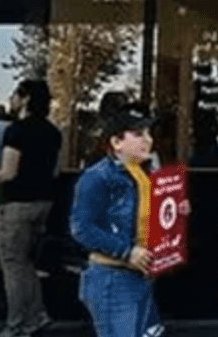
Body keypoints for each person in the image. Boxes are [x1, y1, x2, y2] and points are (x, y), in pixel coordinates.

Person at [0, 80, 62, 337]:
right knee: (27, 263)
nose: (10, 99)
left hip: (17, 204)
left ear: (25, 98)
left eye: (15, 95)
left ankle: (15, 326)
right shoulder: (53, 132)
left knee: (13, 266)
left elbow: (8, 172)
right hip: (43, 203)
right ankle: (37, 317)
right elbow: (53, 171)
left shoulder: (16, 131)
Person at [70, 103, 163, 337]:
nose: (148, 140)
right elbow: (81, 228)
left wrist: (174, 210)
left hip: (139, 276)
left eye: (149, 134)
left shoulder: (142, 175)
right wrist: (127, 251)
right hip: (112, 278)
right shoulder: (97, 177)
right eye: (139, 134)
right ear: (116, 142)